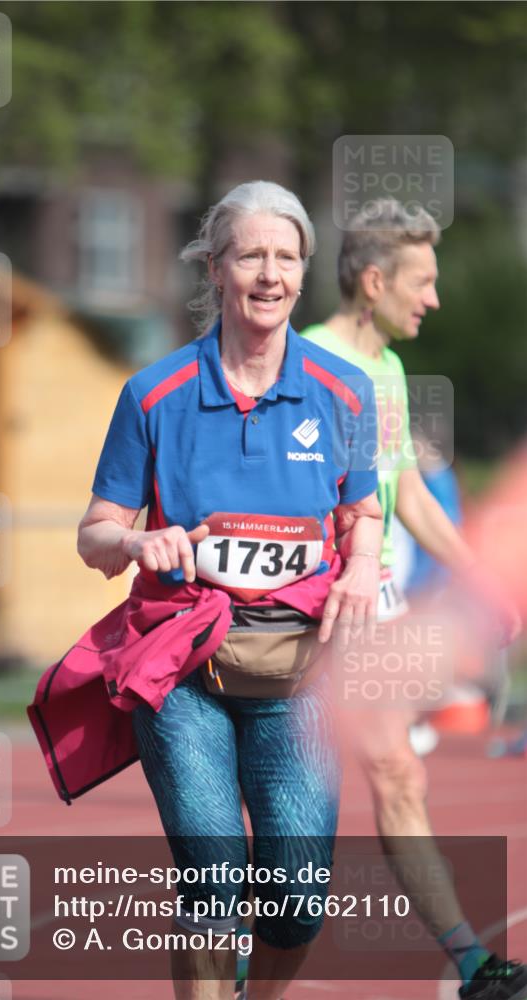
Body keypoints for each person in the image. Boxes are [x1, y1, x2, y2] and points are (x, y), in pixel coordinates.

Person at [76, 181, 383, 1000]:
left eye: (286, 257)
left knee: (296, 900)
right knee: (213, 882)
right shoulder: (154, 394)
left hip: (298, 667)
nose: (270, 273)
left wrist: (357, 566)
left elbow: (363, 512)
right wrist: (141, 538)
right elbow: (93, 534)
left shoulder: (345, 390)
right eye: (250, 255)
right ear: (214, 269)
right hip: (181, 672)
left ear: (304, 270)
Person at [301, 198, 526, 1000]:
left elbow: (410, 495)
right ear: (373, 281)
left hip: (371, 614)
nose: (432, 299)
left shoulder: (389, 371)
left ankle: (472, 965)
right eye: (421, 281)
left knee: (396, 776)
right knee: (308, 803)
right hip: (300, 617)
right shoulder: (303, 361)